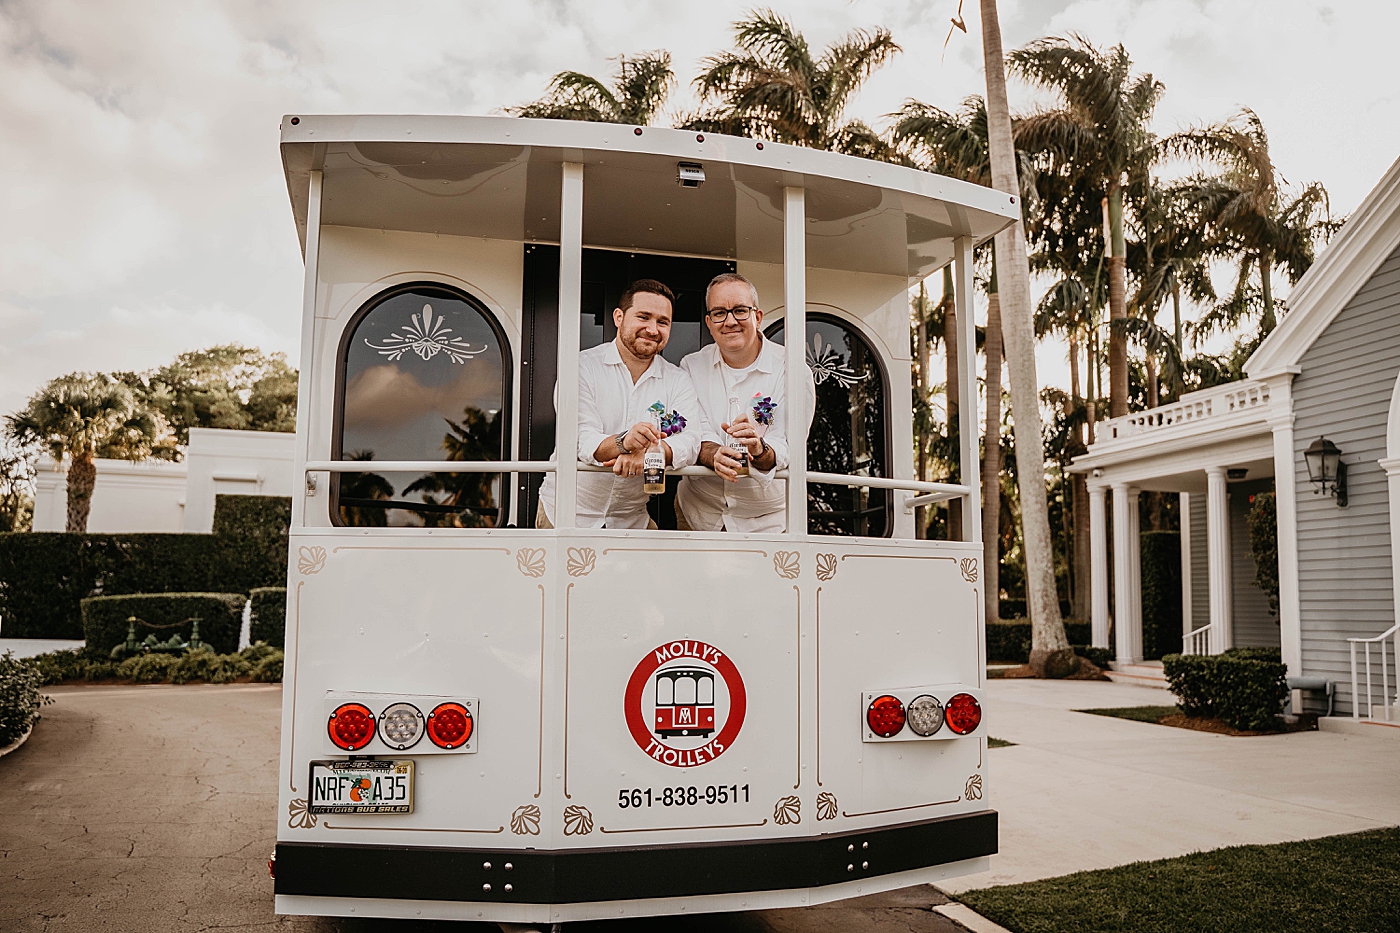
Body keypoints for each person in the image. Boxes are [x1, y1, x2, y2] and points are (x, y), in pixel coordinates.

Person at [537, 279, 703, 529]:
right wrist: (624, 443)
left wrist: (649, 453)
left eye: (662, 322)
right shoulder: (581, 367)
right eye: (643, 317)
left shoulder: (678, 379)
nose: (652, 329)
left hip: (632, 517)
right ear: (618, 317)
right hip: (565, 515)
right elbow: (580, 438)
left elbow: (690, 442)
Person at [677, 272, 815, 533]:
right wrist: (713, 453)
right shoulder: (691, 366)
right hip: (698, 515)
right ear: (708, 322)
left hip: (768, 523)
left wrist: (759, 450)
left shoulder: (792, 370)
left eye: (740, 310)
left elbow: (789, 446)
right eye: (719, 313)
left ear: (758, 317)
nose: (730, 321)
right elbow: (696, 431)